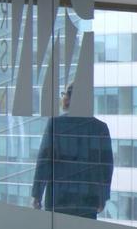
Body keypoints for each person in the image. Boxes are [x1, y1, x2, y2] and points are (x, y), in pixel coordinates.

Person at [31, 83, 113, 219]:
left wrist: (37, 194)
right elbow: (106, 166)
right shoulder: (100, 128)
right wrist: (103, 196)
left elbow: (44, 160)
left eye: (64, 95)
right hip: (88, 199)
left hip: (58, 198)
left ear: (69, 98)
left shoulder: (55, 124)